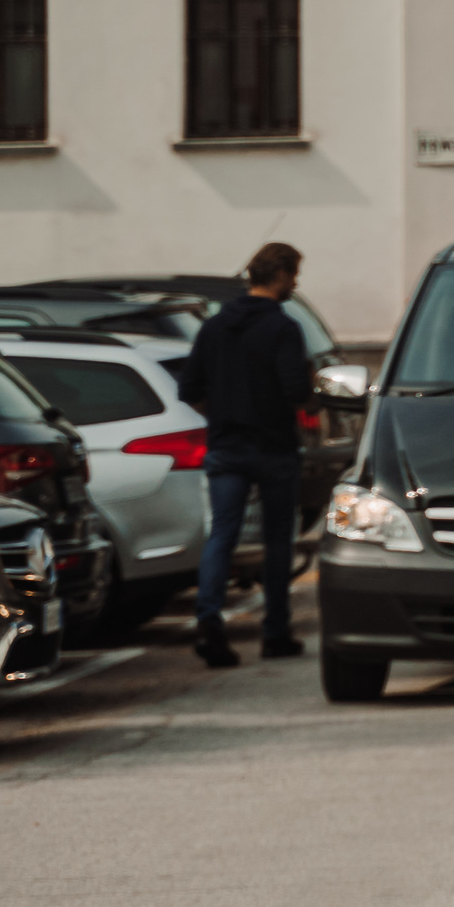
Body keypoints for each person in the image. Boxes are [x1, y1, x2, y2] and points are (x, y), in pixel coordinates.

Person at [178, 242, 314, 668]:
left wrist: (220, 415)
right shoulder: (284, 329)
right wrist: (313, 399)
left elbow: (189, 389)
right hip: (273, 448)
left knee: (223, 535)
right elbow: (295, 391)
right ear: (280, 276)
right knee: (277, 542)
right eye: (294, 275)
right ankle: (275, 632)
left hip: (226, 447)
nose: (295, 283)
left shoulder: (214, 327)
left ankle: (209, 624)